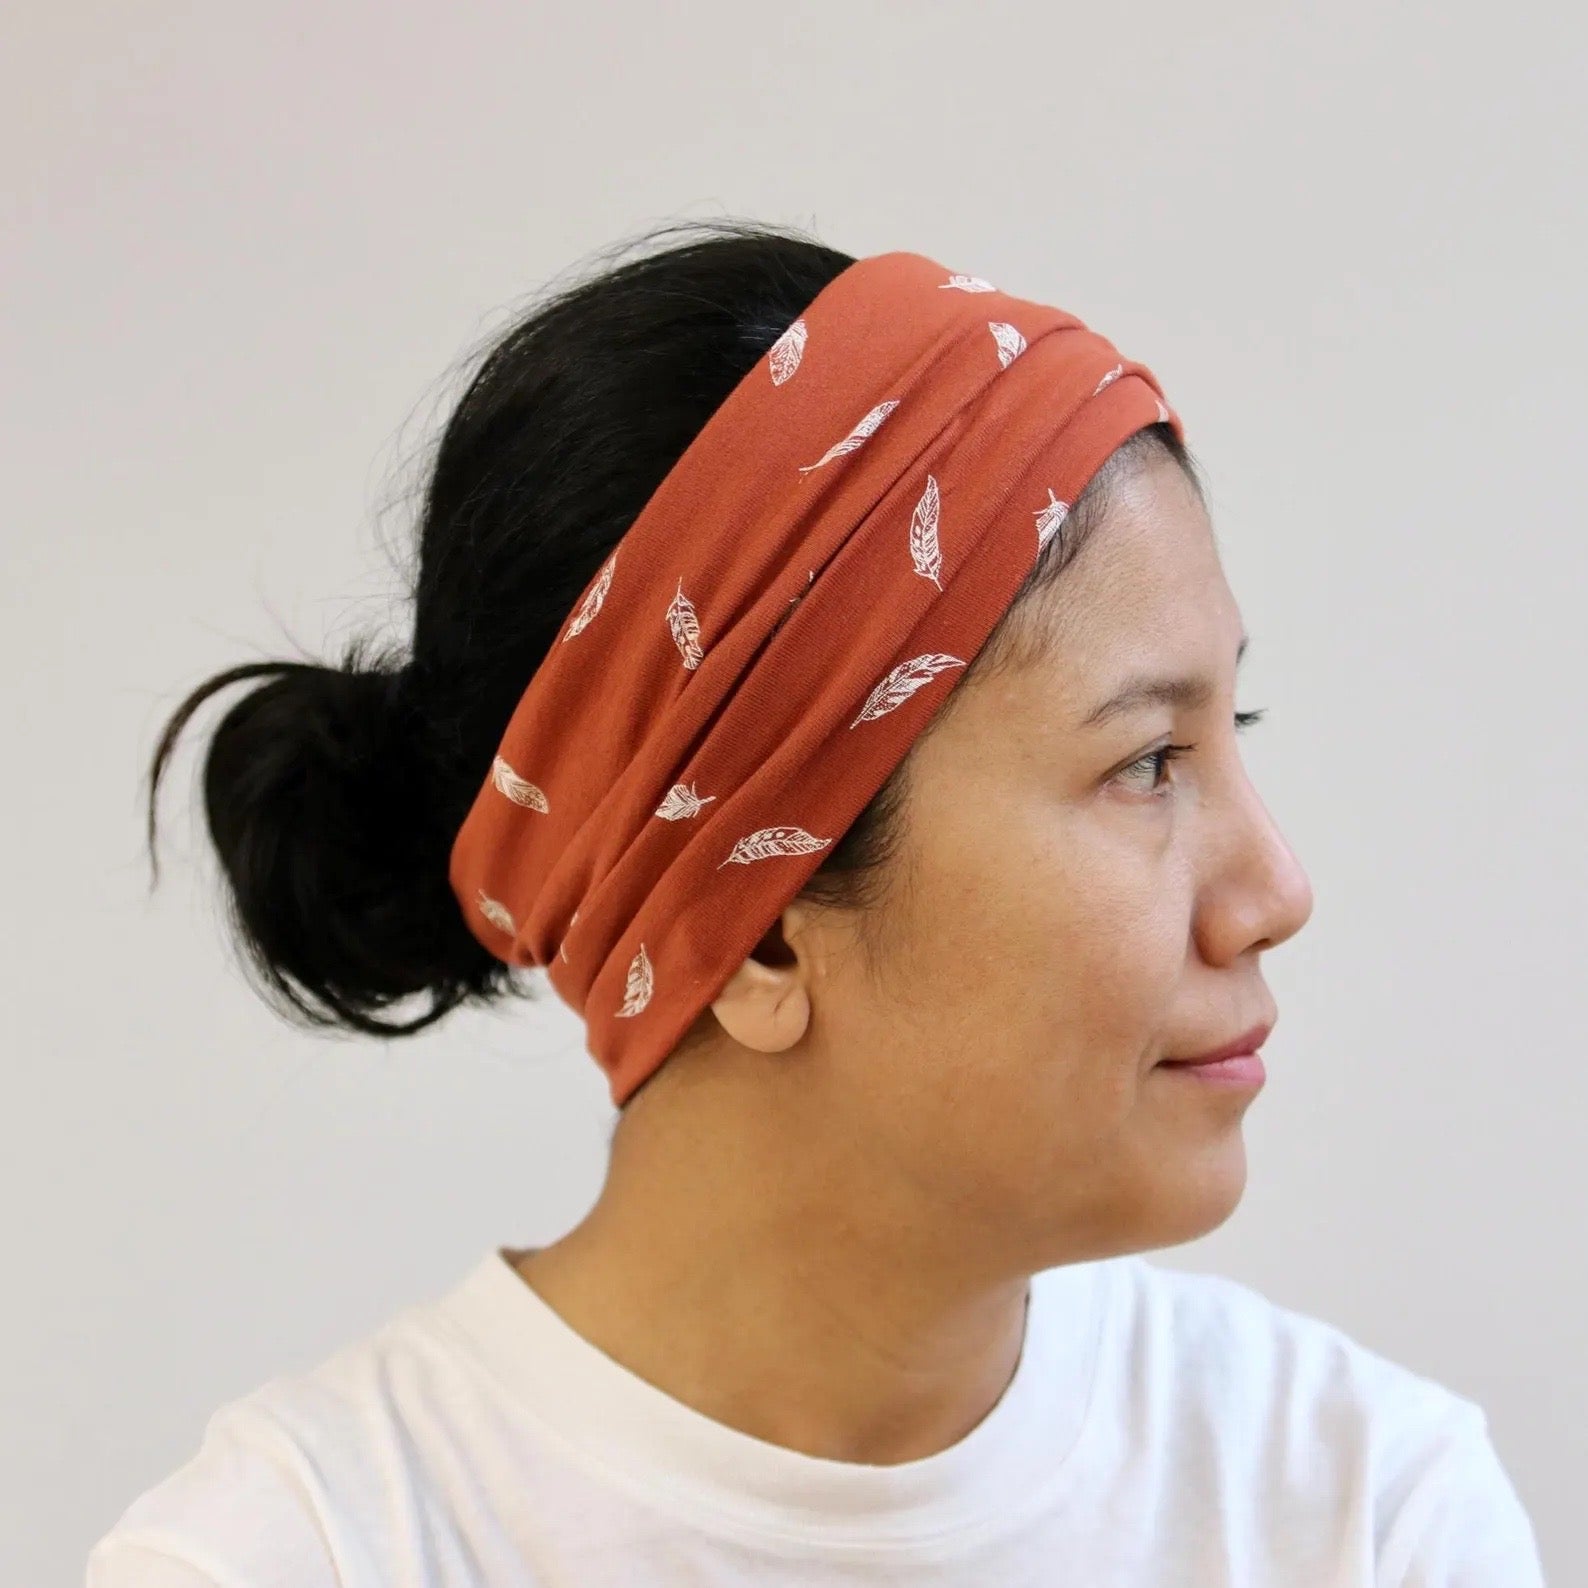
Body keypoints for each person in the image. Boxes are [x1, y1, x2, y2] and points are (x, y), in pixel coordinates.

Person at [86, 218, 1546, 1585]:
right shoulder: (301, 1554)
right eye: (1149, 761)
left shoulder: (1364, 1517)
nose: (1278, 890)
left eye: (1238, 734)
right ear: (767, 924)